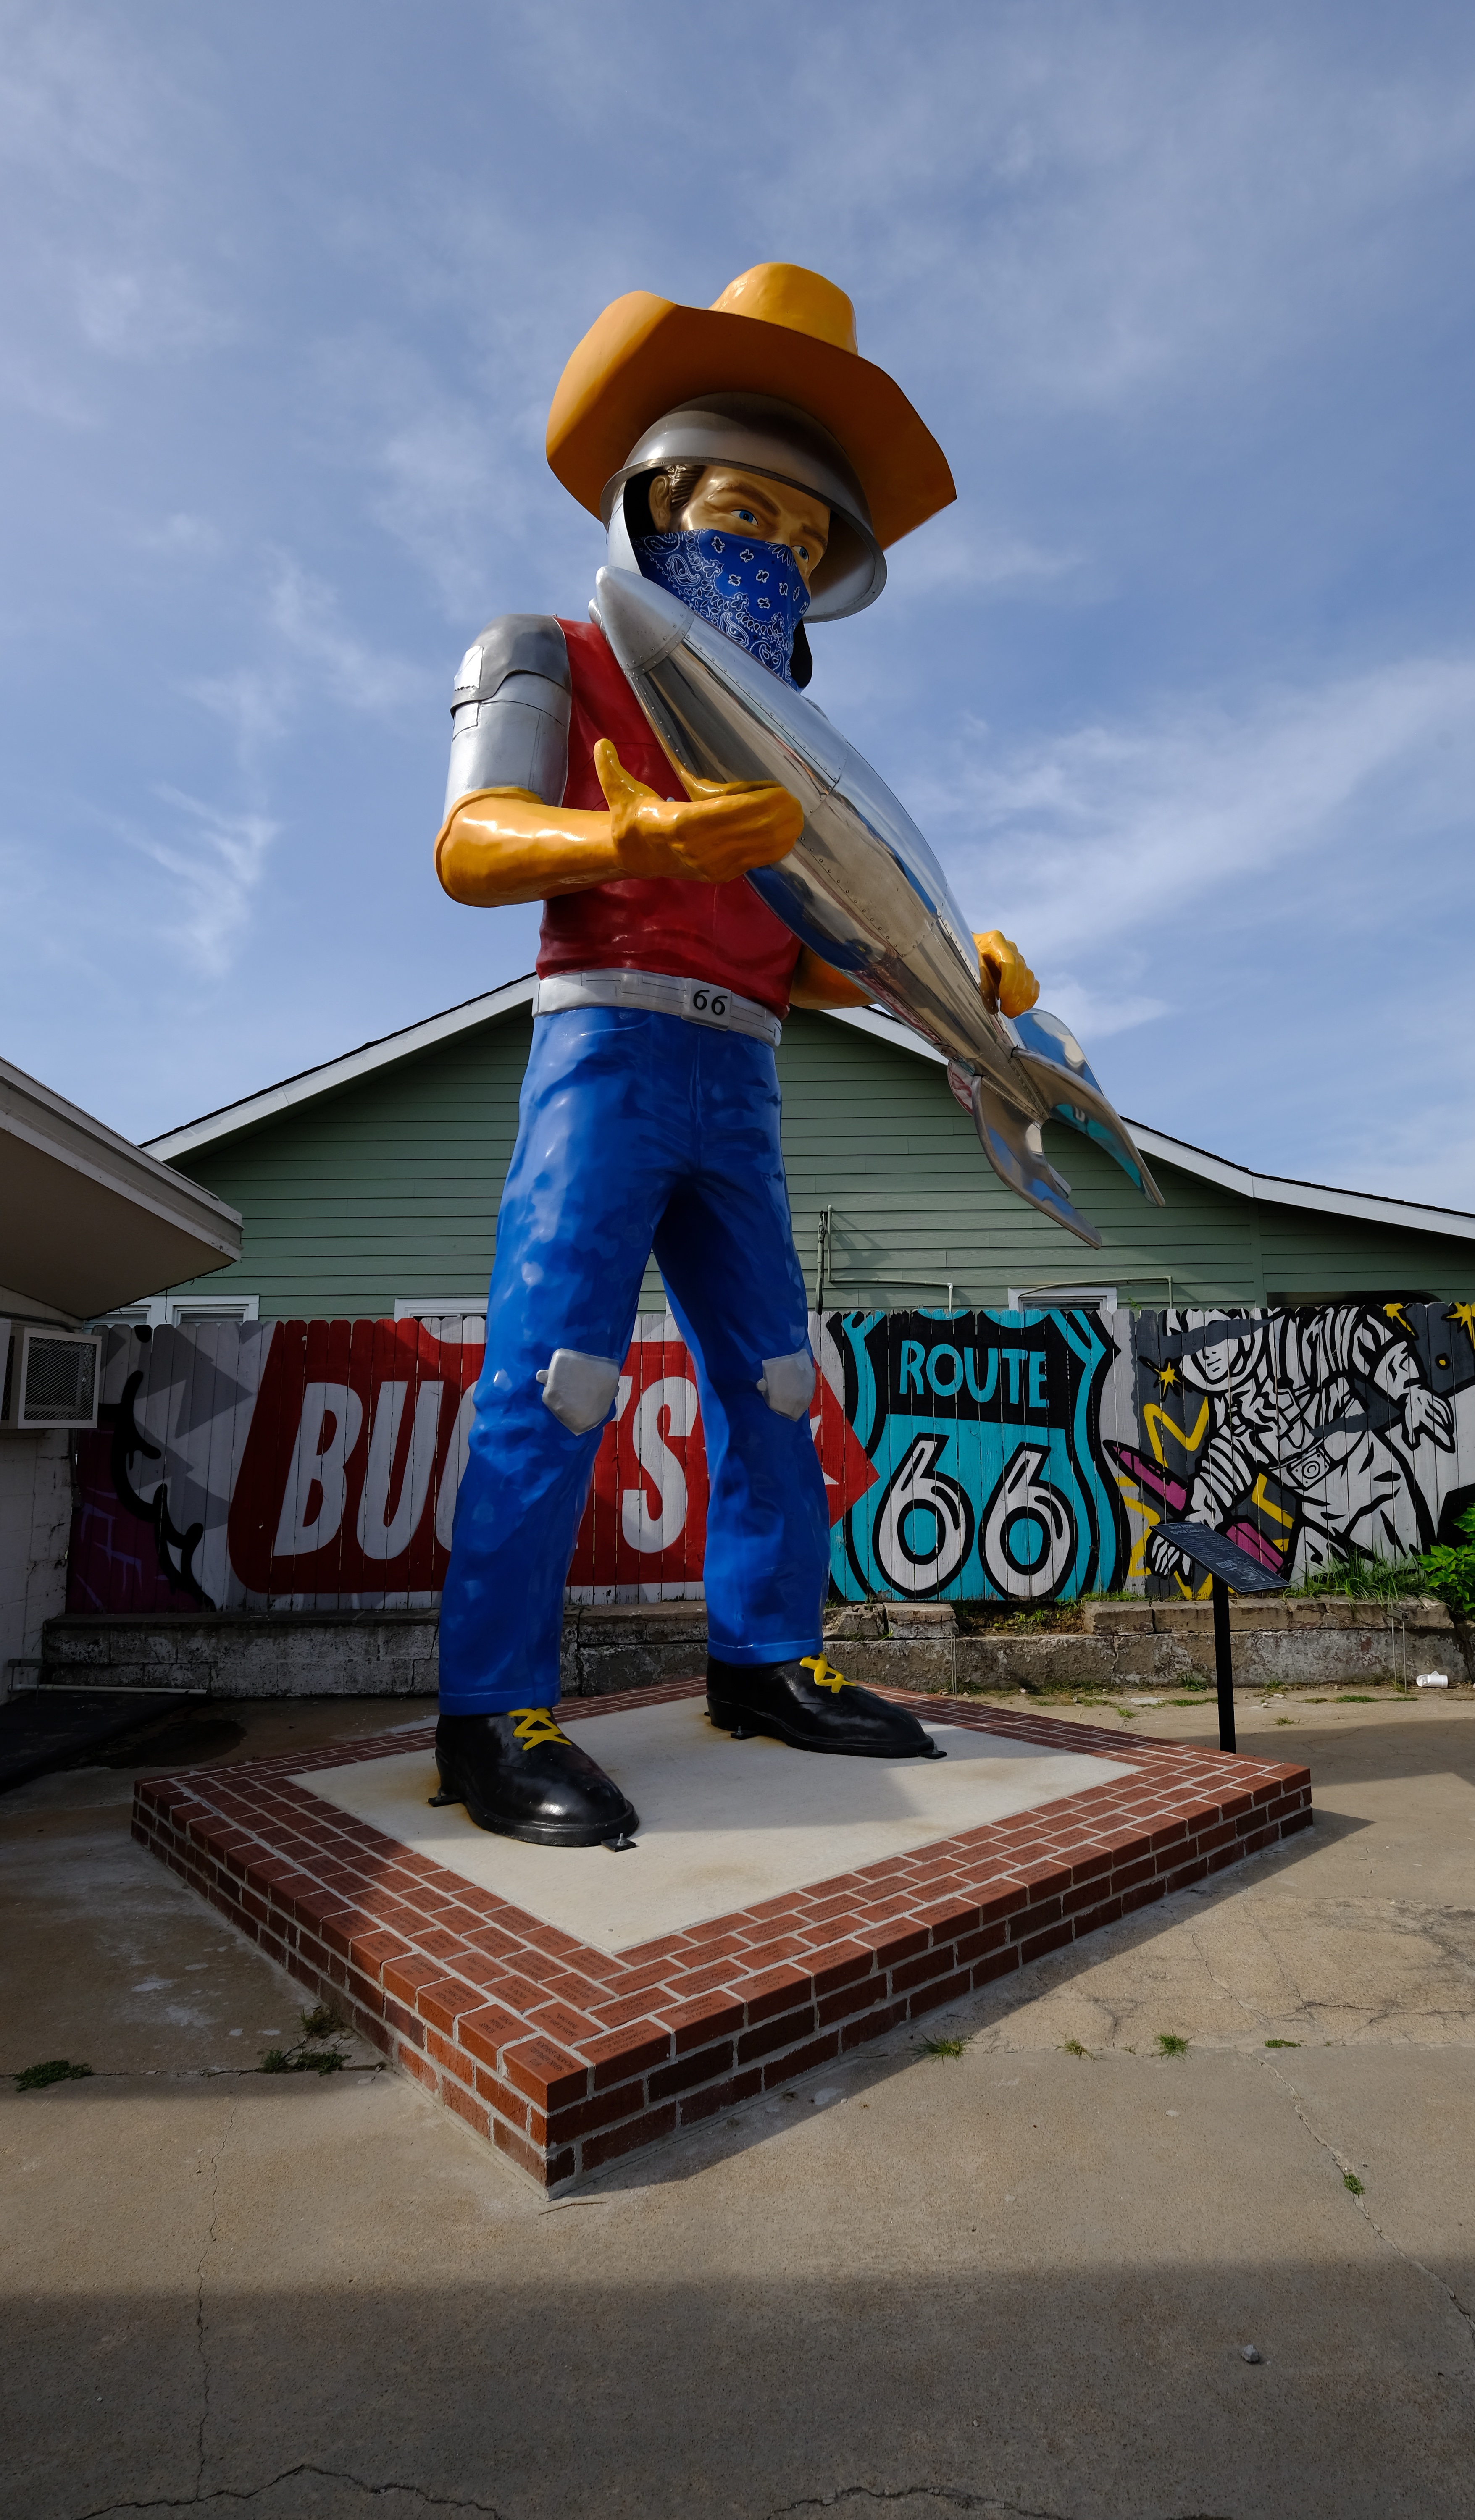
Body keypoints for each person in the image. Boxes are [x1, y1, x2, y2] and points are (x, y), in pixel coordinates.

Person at [428, 264, 1040, 1847]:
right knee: (559, 1378)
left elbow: (812, 959)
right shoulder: (550, 650)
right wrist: (624, 834)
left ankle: (766, 1659)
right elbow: (472, 843)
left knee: (775, 1384)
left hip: (745, 1074)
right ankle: (490, 1707)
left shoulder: (791, 743)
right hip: (606, 1046)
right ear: (659, 504)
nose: (773, 551)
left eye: (805, 537)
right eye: (744, 511)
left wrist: (945, 983)